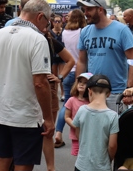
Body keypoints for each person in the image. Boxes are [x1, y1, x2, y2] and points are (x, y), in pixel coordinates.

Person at [0, 0, 55, 171]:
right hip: (25, 114)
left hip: (0, 110)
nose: (47, 27)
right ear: (40, 17)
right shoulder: (37, 39)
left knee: (2, 158)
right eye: (47, 21)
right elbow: (40, 83)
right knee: (23, 163)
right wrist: (48, 117)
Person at [76, 0, 133, 111]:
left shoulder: (122, 30)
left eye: (89, 9)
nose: (85, 13)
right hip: (92, 91)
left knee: (115, 129)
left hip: (116, 93)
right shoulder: (85, 31)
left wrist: (129, 89)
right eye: (84, 10)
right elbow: (81, 61)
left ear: (100, 9)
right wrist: (78, 86)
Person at [42, 26, 74, 171]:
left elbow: (70, 60)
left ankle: (51, 167)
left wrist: (59, 78)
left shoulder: (50, 41)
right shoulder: (30, 40)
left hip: (48, 86)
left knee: (48, 129)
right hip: (33, 87)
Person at [54, 9, 87, 148]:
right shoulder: (82, 32)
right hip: (79, 72)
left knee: (67, 103)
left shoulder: (64, 32)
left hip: (67, 70)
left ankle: (58, 132)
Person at [73, 74, 119, 171]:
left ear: (89, 91)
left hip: (81, 165)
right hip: (102, 167)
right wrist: (109, 159)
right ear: (109, 94)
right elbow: (112, 145)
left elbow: (78, 133)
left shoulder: (81, 110)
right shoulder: (113, 116)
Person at [64, 72, 93, 156]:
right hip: (76, 136)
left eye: (85, 83)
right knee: (78, 158)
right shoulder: (72, 100)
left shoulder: (92, 102)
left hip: (89, 136)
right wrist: (76, 126)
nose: (81, 84)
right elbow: (66, 117)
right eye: (80, 82)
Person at [49, 14, 65, 100]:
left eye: (59, 21)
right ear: (53, 22)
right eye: (56, 21)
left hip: (62, 56)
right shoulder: (50, 32)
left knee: (61, 75)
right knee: (54, 75)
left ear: (62, 22)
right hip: (54, 56)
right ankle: (54, 93)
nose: (57, 23)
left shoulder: (64, 32)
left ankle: (63, 93)